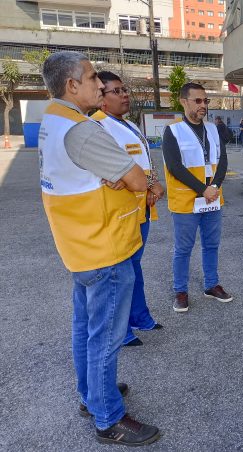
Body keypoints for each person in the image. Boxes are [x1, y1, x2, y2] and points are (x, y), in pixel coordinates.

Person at [39, 51, 159, 446]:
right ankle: (108, 418)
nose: (99, 85)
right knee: (105, 335)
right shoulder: (82, 129)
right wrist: (125, 178)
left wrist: (118, 178)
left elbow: (114, 177)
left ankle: (91, 396)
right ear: (72, 85)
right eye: (92, 78)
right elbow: (140, 181)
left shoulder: (53, 120)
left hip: (80, 245)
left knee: (85, 329)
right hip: (104, 247)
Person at [92, 71, 164, 347]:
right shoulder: (96, 127)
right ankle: (120, 331)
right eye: (117, 91)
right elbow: (111, 173)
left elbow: (144, 160)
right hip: (119, 212)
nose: (124, 95)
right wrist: (148, 183)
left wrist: (154, 183)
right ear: (101, 98)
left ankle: (139, 317)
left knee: (134, 267)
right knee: (121, 273)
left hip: (141, 208)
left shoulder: (129, 124)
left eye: (125, 90)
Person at [162, 82, 232, 312]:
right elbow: (174, 166)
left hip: (212, 199)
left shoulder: (212, 129)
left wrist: (215, 186)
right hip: (187, 200)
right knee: (184, 248)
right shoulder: (172, 130)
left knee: (212, 244)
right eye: (198, 101)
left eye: (206, 101)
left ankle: (211, 285)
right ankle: (180, 291)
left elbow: (222, 160)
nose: (204, 105)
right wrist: (203, 189)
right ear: (184, 102)